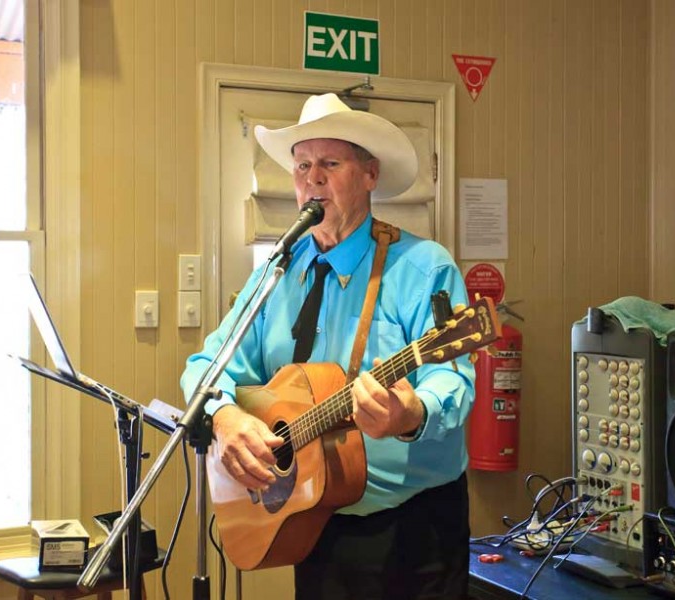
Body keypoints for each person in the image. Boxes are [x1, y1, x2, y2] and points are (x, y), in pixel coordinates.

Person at [181, 93, 476, 600]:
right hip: (314, 518)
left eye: (330, 164)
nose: (312, 178)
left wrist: (410, 413)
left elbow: (452, 378)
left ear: (369, 175)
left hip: (413, 532)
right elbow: (207, 365)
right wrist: (225, 420)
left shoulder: (424, 266)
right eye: (302, 166)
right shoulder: (277, 273)